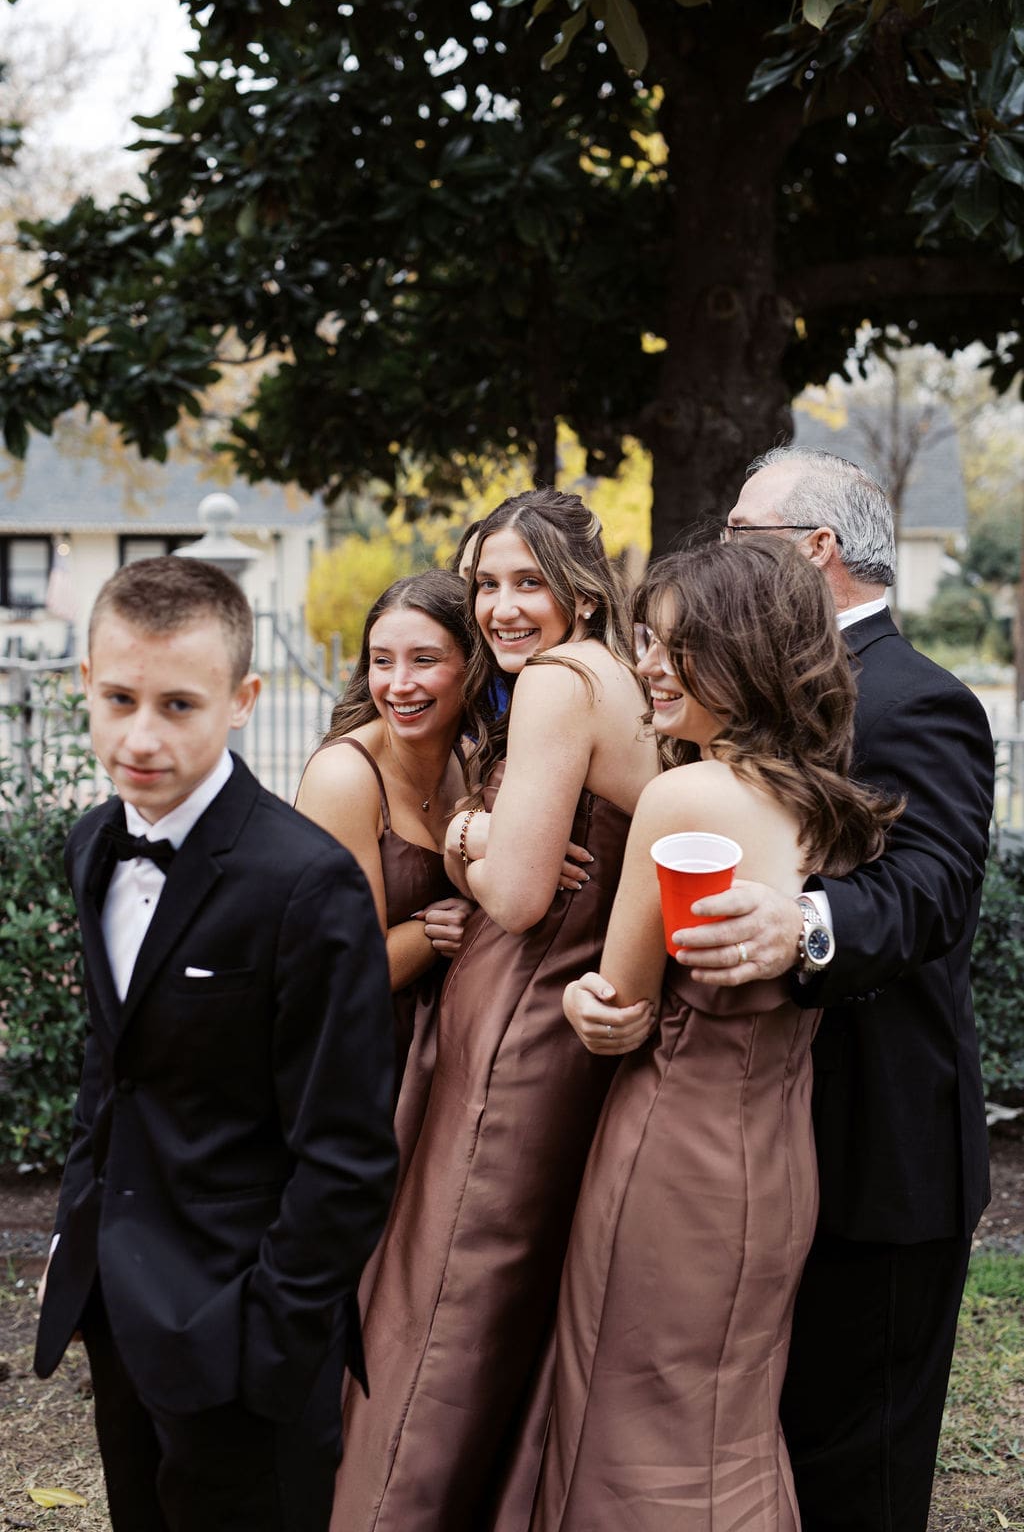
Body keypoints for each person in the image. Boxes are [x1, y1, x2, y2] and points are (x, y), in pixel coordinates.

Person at [568, 447, 996, 1532]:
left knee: (858, 1462)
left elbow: (935, 892)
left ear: (814, 551)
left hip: (876, 1151)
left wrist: (799, 925)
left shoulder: (917, 697)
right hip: (748, 1143)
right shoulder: (733, 710)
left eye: (738, 535)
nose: (719, 552)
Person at [34, 556, 398, 1532]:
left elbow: (350, 1154)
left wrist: (269, 1339)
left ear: (243, 701)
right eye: (118, 698)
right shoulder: (92, 846)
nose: (140, 736)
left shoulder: (307, 885)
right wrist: (83, 1244)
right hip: (120, 1310)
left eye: (179, 705)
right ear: (85, 686)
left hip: (245, 1341)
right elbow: (112, 1075)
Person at [542, 537, 899, 1530]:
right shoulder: (826, 805)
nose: (651, 667)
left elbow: (619, 1007)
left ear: (744, 656)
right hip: (777, 1155)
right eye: (647, 644)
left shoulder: (684, 798)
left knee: (636, 1429)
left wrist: (582, 1003)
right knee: (727, 1425)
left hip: (670, 1153)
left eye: (678, 649)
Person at [331, 486, 660, 1532]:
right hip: (536, 1038)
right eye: (485, 583)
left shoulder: (563, 683)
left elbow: (516, 896)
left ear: (583, 591)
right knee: (484, 1317)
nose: (501, 607)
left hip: (514, 1041)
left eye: (528, 582)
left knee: (437, 1315)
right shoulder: (616, 678)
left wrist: (468, 839)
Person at [295, 570, 477, 1096]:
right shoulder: (345, 776)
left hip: (444, 1051)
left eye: (424, 660)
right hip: (360, 1065)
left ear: (471, 663)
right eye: (381, 661)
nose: (398, 684)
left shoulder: (471, 761)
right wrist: (433, 932)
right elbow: (347, 973)